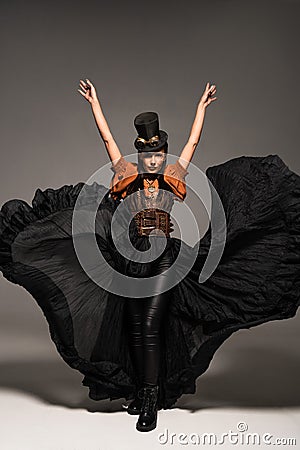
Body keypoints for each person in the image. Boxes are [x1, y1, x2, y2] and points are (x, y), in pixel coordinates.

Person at [0, 79, 299, 434]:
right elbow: (108, 140)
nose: (154, 159)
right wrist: (94, 103)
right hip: (129, 259)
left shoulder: (173, 176)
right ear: (141, 157)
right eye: (147, 155)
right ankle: (142, 392)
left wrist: (200, 109)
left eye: (158, 153)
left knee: (150, 327)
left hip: (164, 261)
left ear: (163, 154)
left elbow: (192, 143)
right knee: (134, 328)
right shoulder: (128, 176)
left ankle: (150, 402)